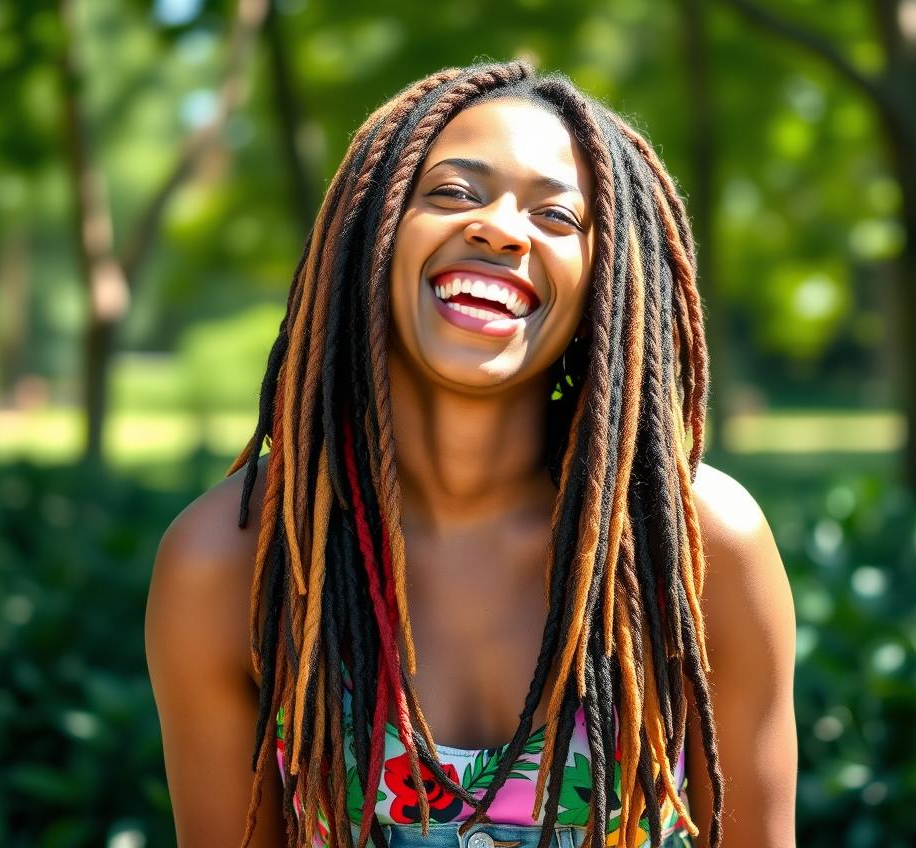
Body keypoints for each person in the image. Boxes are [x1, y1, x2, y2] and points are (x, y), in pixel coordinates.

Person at [145, 61, 797, 848]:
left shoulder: (698, 546)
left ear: (606, 284)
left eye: (557, 217)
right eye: (454, 193)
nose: (500, 228)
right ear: (370, 237)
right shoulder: (233, 561)